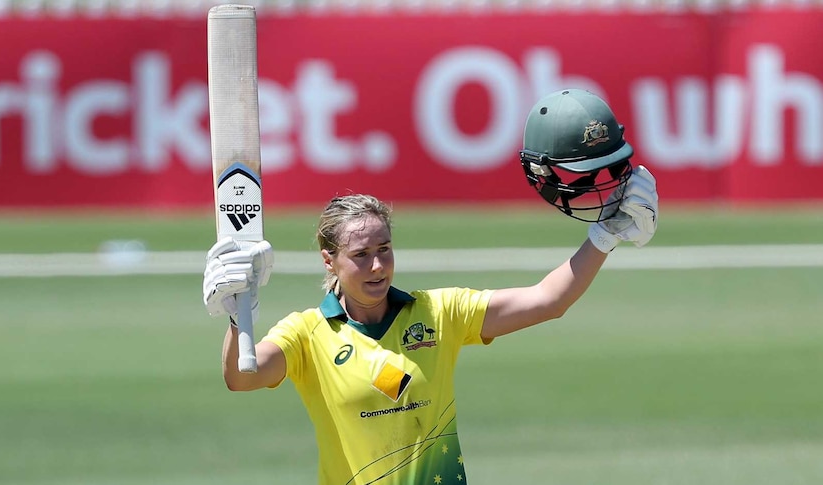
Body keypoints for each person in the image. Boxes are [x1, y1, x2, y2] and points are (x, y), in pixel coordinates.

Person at [202, 88, 658, 485]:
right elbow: (241, 377)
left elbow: (548, 300)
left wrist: (604, 236)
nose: (378, 266)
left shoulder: (438, 314)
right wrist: (235, 314)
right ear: (330, 260)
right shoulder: (307, 336)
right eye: (360, 256)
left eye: (385, 248)